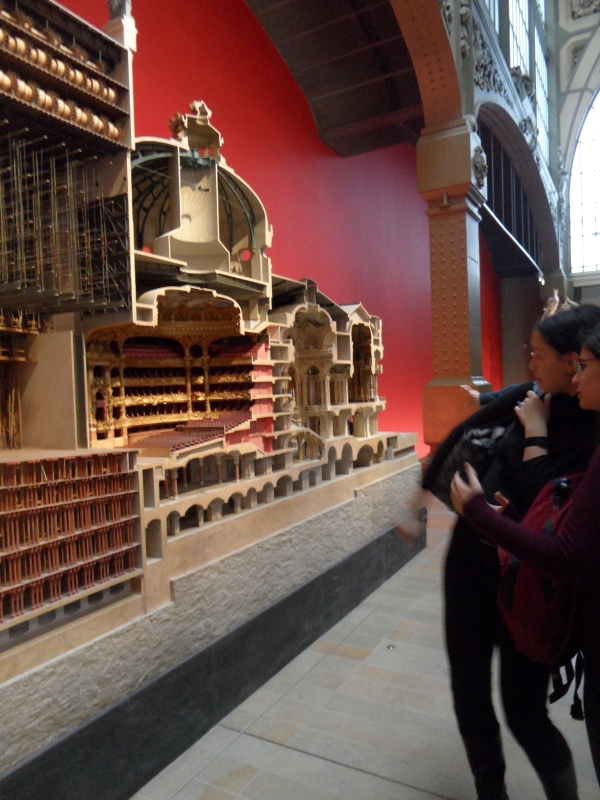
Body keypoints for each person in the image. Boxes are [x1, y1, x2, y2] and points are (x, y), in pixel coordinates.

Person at [423, 304, 600, 800]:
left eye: (539, 354)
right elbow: (472, 424)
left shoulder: (589, 425)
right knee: (469, 688)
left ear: (574, 361)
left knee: (524, 710)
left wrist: (535, 436)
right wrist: (424, 489)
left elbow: (554, 514)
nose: (530, 364)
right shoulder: (533, 395)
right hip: (473, 559)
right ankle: (490, 789)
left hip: (530, 578)